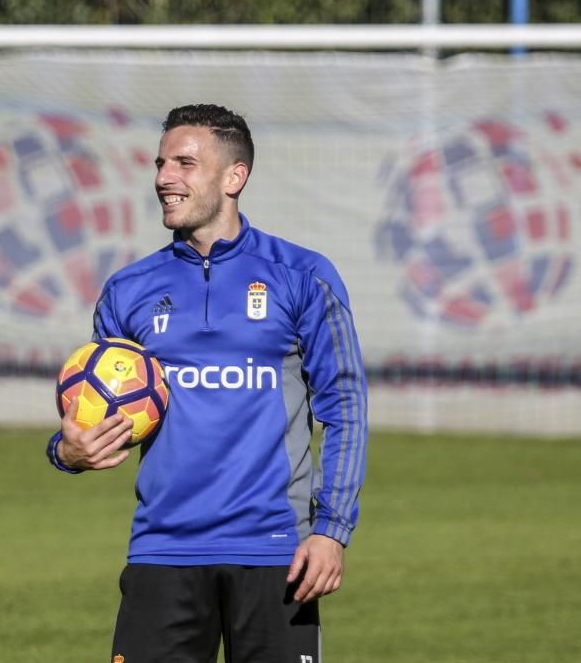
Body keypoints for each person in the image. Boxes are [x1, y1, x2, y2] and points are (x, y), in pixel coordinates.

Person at [46, 103, 368, 663]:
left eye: (185, 164)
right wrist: (67, 451)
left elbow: (344, 408)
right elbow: (91, 420)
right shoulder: (129, 290)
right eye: (161, 163)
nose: (164, 178)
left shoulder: (303, 276)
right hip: (163, 550)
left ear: (234, 177)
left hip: (276, 552)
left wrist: (332, 530)